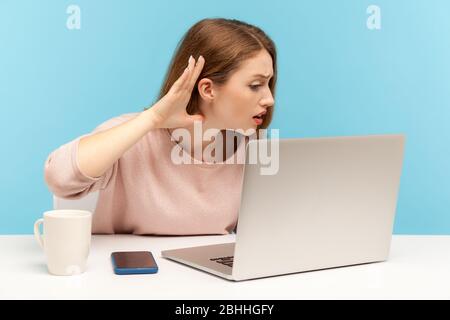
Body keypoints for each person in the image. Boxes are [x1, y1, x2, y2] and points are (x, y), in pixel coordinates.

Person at [44, 18, 277, 235]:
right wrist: (152, 119)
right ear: (208, 90)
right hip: (128, 275)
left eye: (269, 84)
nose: (269, 99)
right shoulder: (133, 137)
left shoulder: (250, 150)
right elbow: (59, 179)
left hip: (208, 278)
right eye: (255, 85)